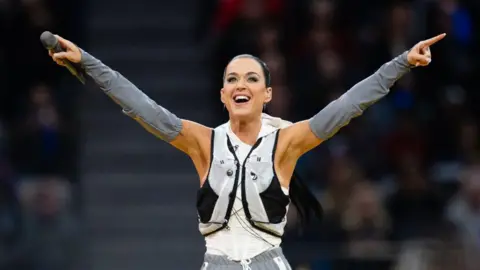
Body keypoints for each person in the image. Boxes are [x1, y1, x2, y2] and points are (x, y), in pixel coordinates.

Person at [47, 32, 446, 269]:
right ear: (223, 94)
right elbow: (141, 107)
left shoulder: (286, 145)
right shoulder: (202, 143)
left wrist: (401, 63)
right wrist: (88, 62)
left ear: (267, 94)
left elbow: (346, 107)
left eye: (252, 78)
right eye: (232, 78)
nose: (241, 83)